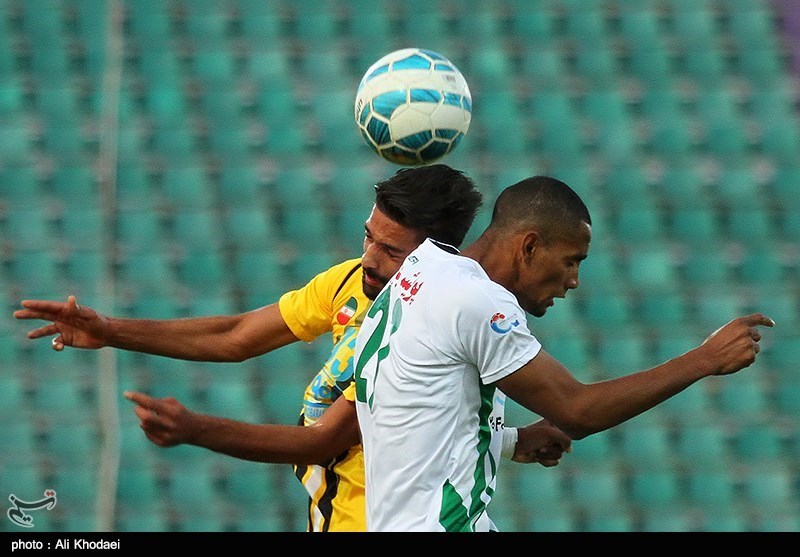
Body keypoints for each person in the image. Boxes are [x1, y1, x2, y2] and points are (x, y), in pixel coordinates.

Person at [14, 164, 570, 532]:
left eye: (392, 251)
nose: (370, 258)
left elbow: (327, 440)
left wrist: (195, 429)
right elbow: (237, 336)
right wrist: (109, 330)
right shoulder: (351, 283)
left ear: (433, 258)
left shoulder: (428, 315)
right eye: (369, 236)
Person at [350, 175, 775, 532]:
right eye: (572, 261)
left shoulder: (421, 270)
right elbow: (577, 412)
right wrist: (704, 359)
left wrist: (510, 440)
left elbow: (413, 413)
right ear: (529, 246)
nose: (573, 280)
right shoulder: (476, 301)